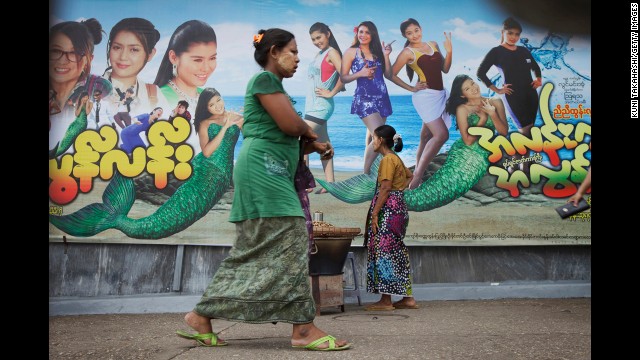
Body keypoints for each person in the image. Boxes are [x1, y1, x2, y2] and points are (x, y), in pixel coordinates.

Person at [176, 28, 350, 351]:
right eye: (293, 51)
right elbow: (290, 127)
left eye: (299, 53)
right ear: (273, 52)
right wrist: (312, 136)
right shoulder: (264, 81)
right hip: (262, 174)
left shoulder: (275, 89)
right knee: (296, 237)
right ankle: (303, 329)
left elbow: (286, 141)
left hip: (267, 172)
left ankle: (200, 317)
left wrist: (314, 146)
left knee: (252, 251)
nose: (298, 58)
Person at [384, 18, 453, 189]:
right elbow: (390, 74)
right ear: (404, 35)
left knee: (425, 136)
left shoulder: (433, 44)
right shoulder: (408, 52)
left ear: (421, 28)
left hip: (441, 94)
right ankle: (417, 177)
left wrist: (449, 51)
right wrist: (411, 88)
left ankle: (414, 172)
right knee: (441, 135)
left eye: (416, 30)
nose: (414, 35)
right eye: (409, 33)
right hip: (425, 97)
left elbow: (445, 69)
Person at [477, 17, 542, 173]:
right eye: (510, 33)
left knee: (528, 131)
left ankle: (514, 164)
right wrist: (497, 89)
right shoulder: (496, 52)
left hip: (531, 96)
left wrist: (538, 79)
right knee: (525, 132)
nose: (513, 37)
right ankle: (523, 168)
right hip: (513, 96)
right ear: (503, 32)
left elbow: (536, 67)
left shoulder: (524, 50)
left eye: (517, 34)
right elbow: (481, 72)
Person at [363, 124, 416, 311]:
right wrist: (399, 189)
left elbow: (385, 188)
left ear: (380, 140)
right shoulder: (396, 158)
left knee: (384, 251)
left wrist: (376, 213)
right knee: (397, 251)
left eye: (374, 139)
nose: (372, 142)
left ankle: (386, 301)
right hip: (399, 208)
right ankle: (407, 298)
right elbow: (410, 176)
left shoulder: (387, 160)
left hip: (388, 210)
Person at [49, 18, 112, 155]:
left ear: (88, 59)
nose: (63, 60)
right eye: (55, 50)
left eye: (74, 53)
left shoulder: (100, 87)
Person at [153, 20, 218, 153]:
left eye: (212, 58)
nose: (206, 68)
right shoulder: (158, 97)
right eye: (197, 60)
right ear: (173, 57)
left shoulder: (209, 96)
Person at [340, 21, 393, 174]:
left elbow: (388, 75)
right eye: (361, 32)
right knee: (381, 135)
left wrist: (387, 56)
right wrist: (360, 73)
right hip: (364, 98)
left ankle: (375, 172)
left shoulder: (378, 52)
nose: (363, 35)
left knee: (372, 139)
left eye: (367, 32)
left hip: (382, 98)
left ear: (373, 35)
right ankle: (366, 173)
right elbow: (344, 77)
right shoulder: (351, 51)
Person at [303, 22, 344, 193]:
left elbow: (345, 75)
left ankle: (304, 184)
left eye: (318, 37)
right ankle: (331, 184)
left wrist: (332, 92)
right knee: (324, 144)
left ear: (328, 34)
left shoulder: (332, 52)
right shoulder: (319, 54)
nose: (316, 41)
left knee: (300, 141)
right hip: (311, 106)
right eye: (313, 39)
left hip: (320, 106)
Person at [103, 17, 162, 116]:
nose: (123, 57)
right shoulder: (90, 88)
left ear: (150, 54)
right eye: (117, 47)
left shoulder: (154, 94)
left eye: (134, 49)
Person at [192, 88, 243, 157]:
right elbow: (206, 153)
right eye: (211, 105)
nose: (217, 106)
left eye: (218, 100)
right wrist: (225, 127)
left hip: (228, 166)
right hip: (205, 166)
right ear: (206, 108)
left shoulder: (238, 118)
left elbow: (253, 139)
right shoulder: (205, 123)